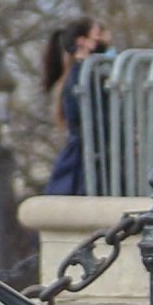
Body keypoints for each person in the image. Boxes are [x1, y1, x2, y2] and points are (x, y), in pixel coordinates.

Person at [40, 17, 110, 197]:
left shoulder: (83, 75)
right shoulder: (82, 78)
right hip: (84, 166)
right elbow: (97, 120)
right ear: (82, 41)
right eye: (98, 34)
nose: (106, 39)